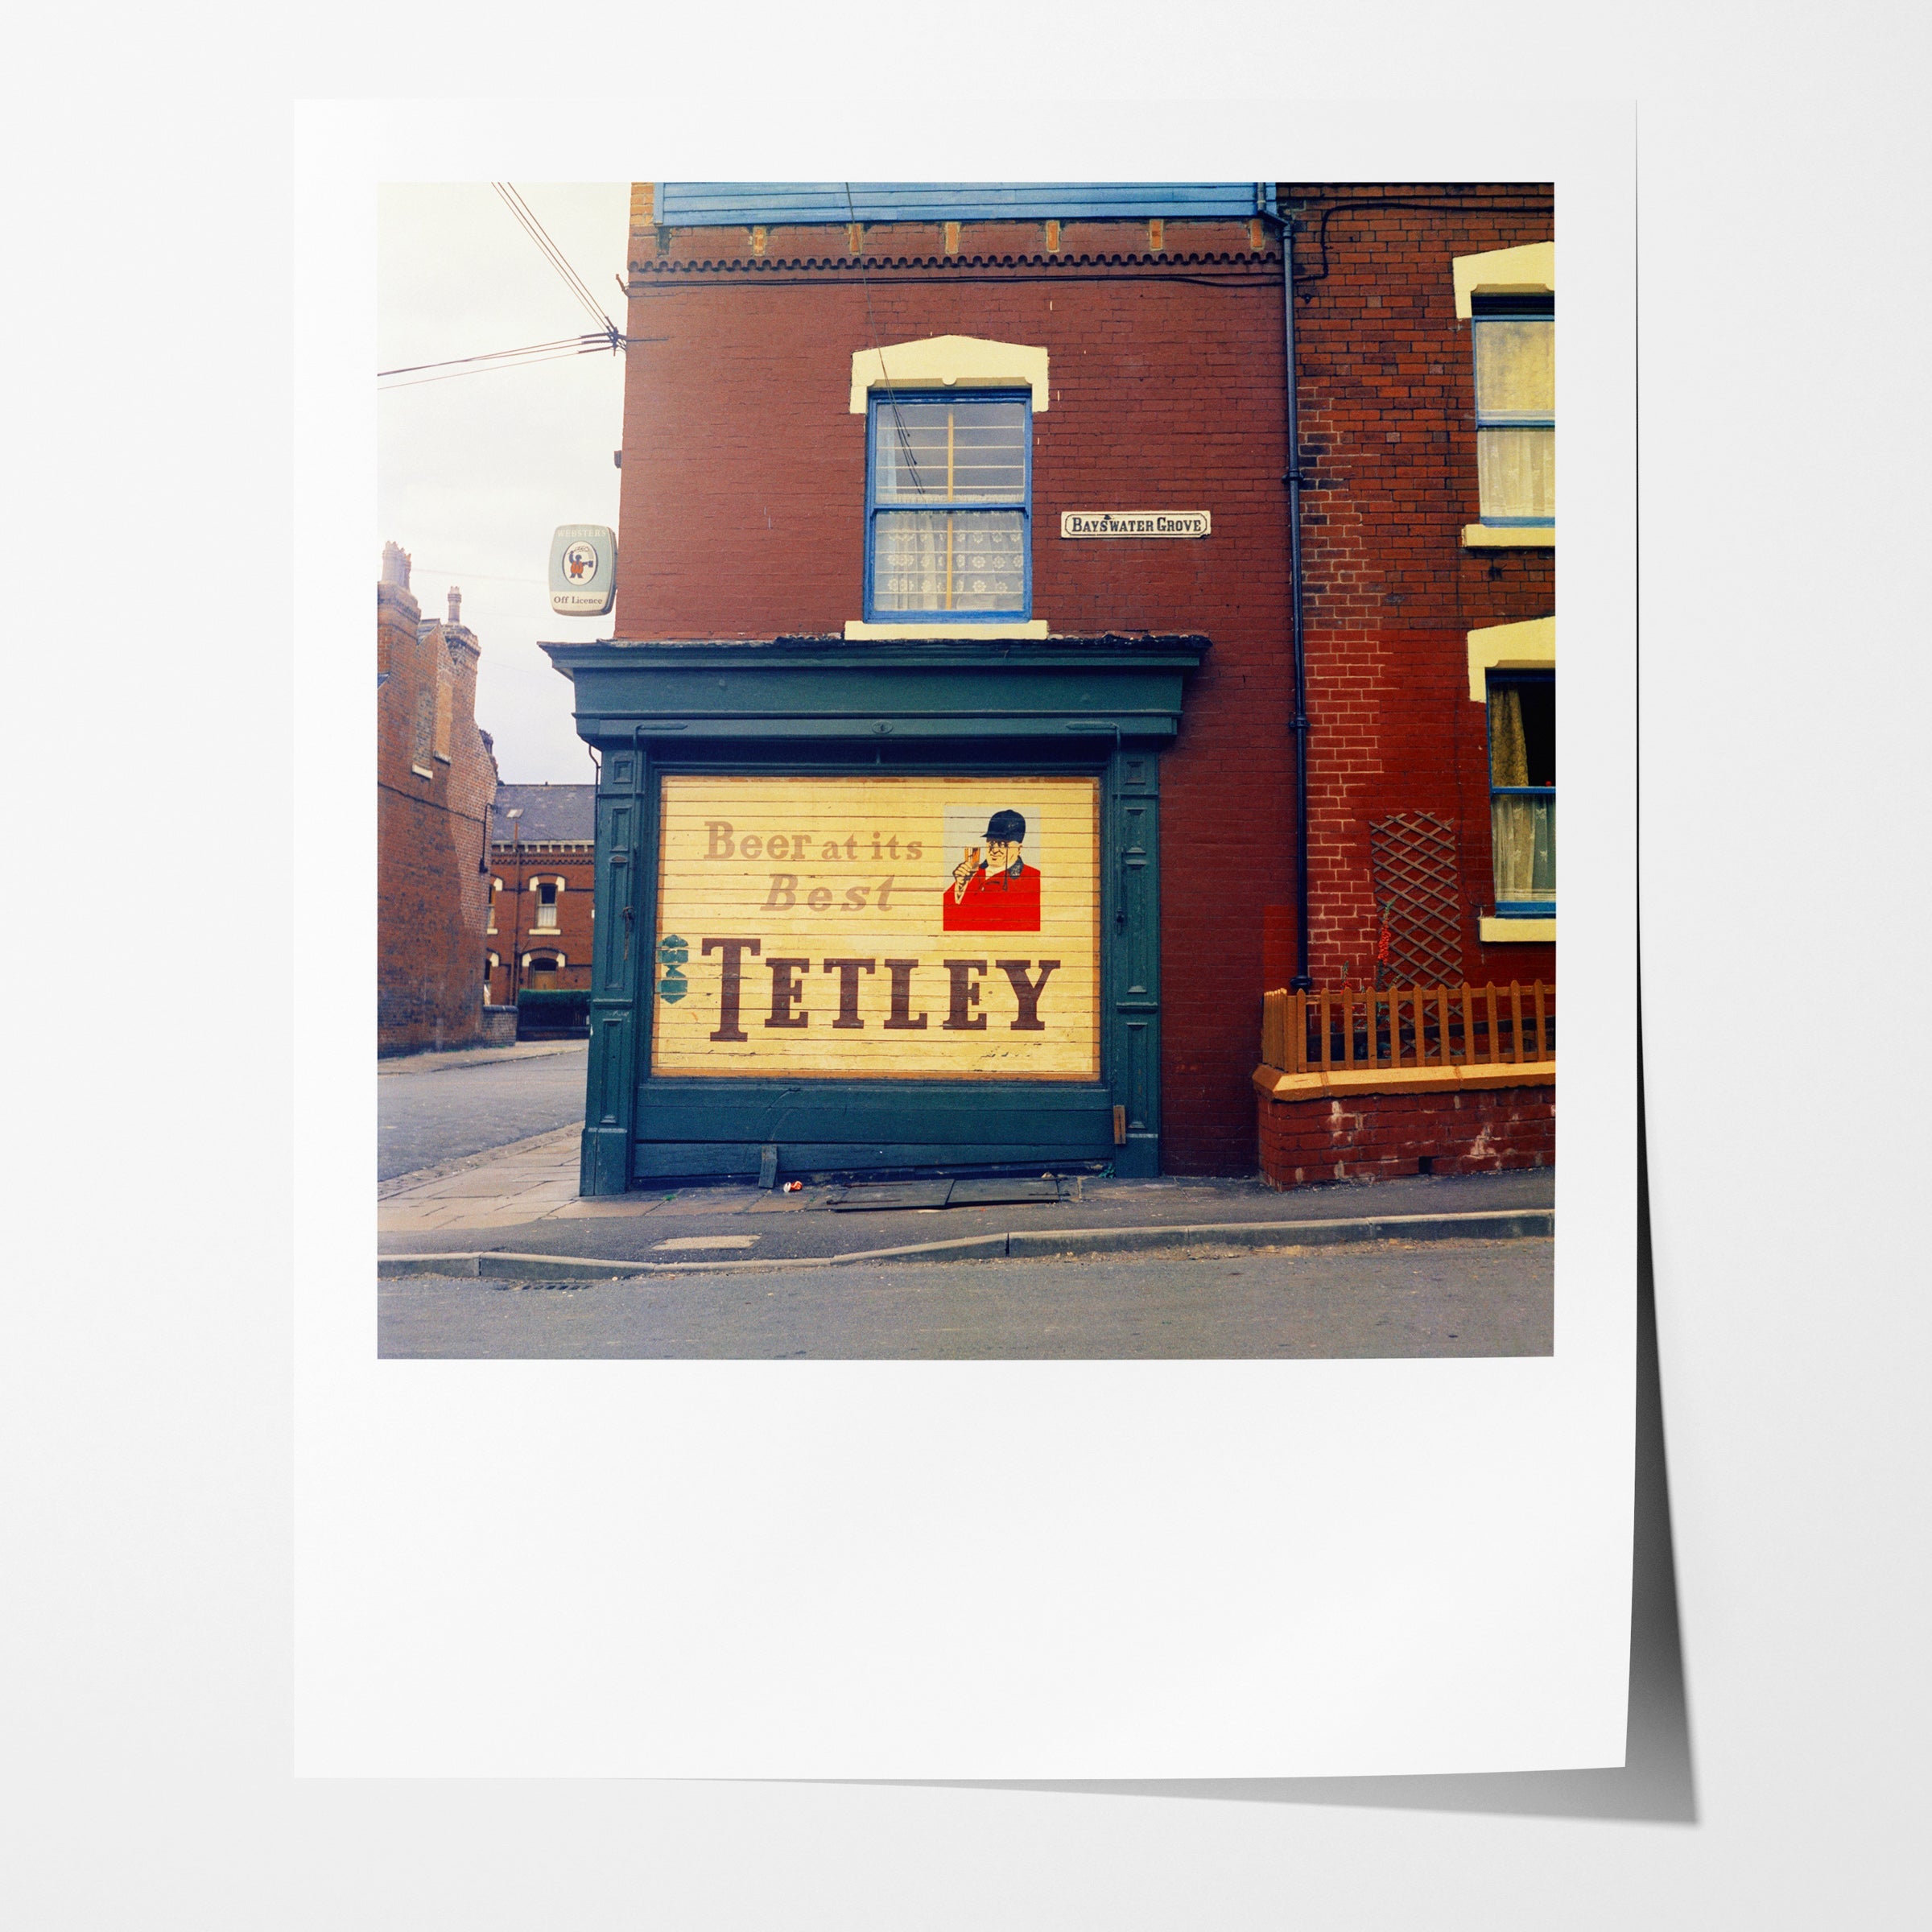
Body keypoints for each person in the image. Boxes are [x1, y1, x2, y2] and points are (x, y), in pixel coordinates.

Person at [943, 807, 1042, 932]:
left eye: (1003, 845)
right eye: (991, 843)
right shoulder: (970, 873)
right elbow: (942, 917)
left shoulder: (1034, 879)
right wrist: (960, 887)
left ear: (1019, 849)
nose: (994, 850)